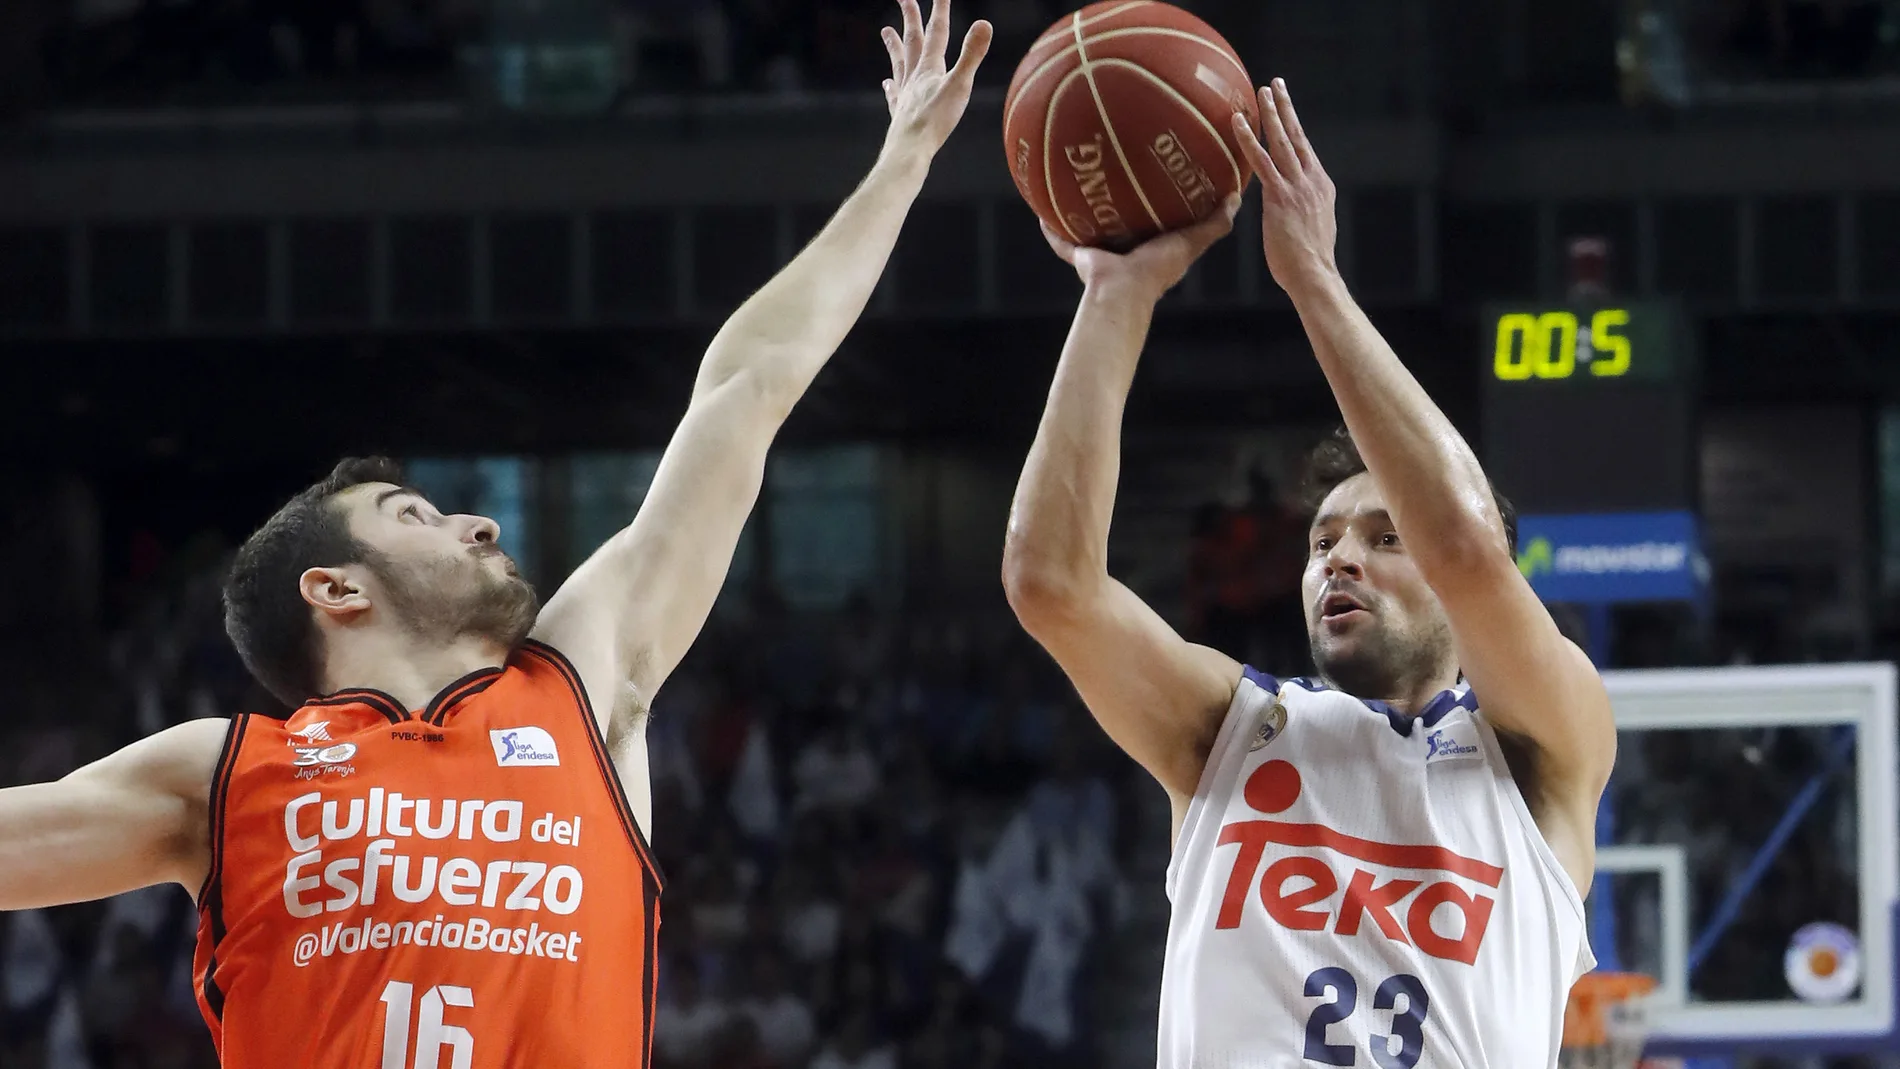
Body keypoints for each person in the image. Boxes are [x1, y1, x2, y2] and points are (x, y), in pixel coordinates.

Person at [0, 3, 991, 1066]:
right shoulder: (228, 773)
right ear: (336, 590)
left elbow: (742, 393)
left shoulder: (581, 680)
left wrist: (900, 169)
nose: (477, 521)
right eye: (414, 516)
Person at [1002, 79, 1614, 1067]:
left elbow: (1461, 543)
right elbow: (1049, 583)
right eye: (1323, 540)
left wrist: (1313, 282)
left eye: (1381, 536)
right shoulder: (1226, 729)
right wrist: (1115, 296)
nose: (1338, 556)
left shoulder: (1543, 741)